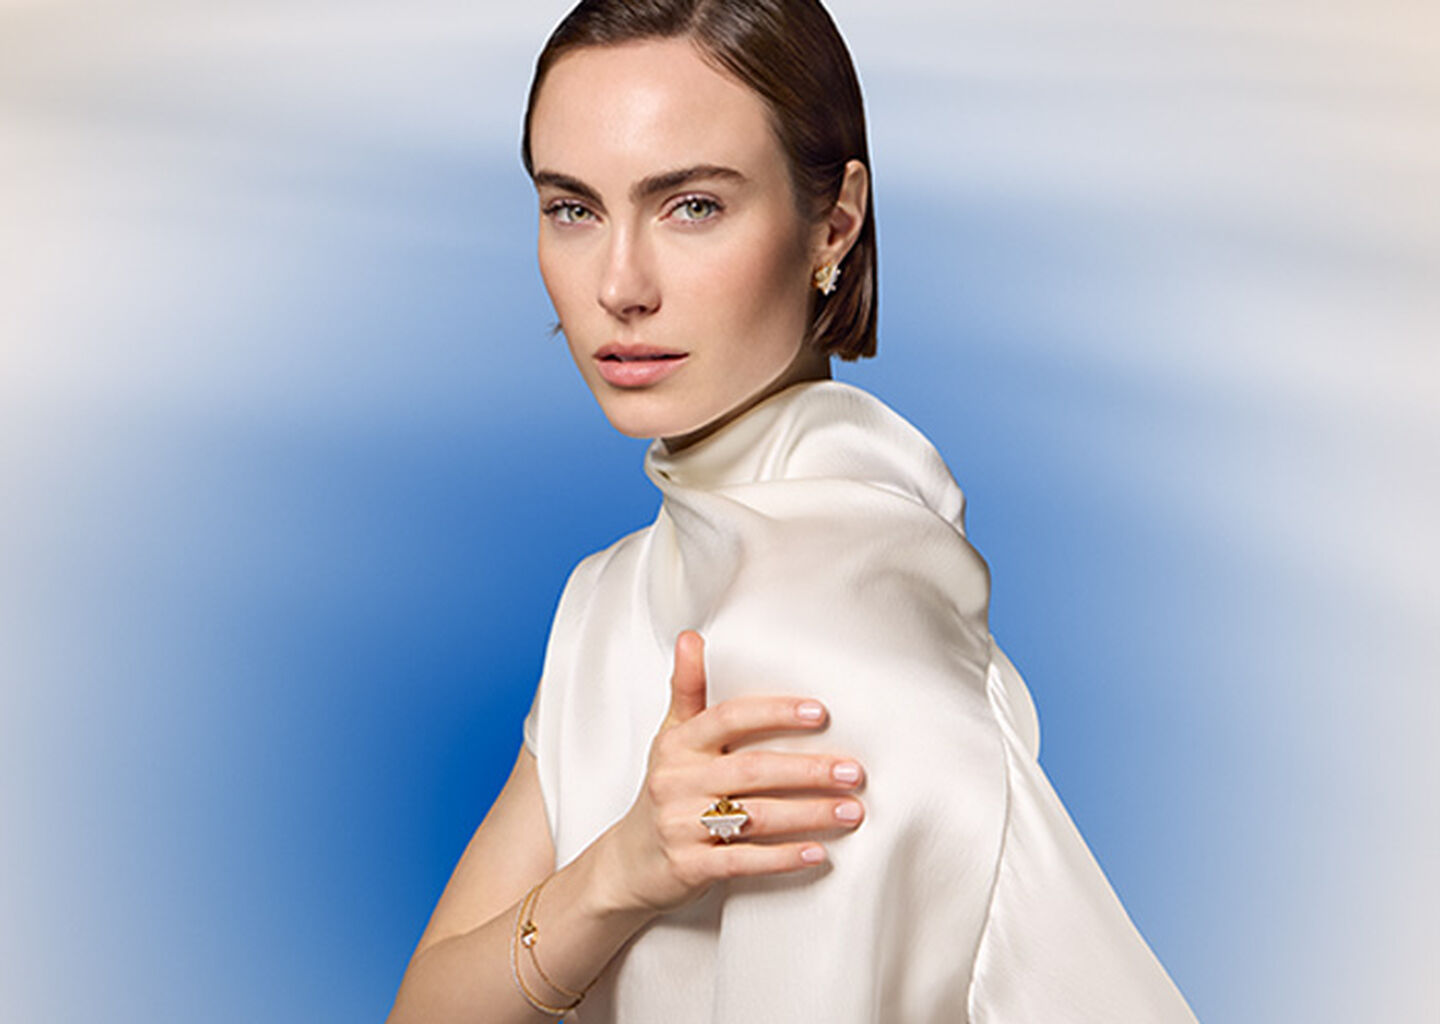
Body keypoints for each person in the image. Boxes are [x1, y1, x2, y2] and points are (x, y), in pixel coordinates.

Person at [389, 1, 1199, 1021]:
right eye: (574, 208)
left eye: (691, 206)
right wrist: (622, 870)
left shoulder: (814, 610)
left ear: (834, 222)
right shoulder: (613, 595)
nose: (620, 284)